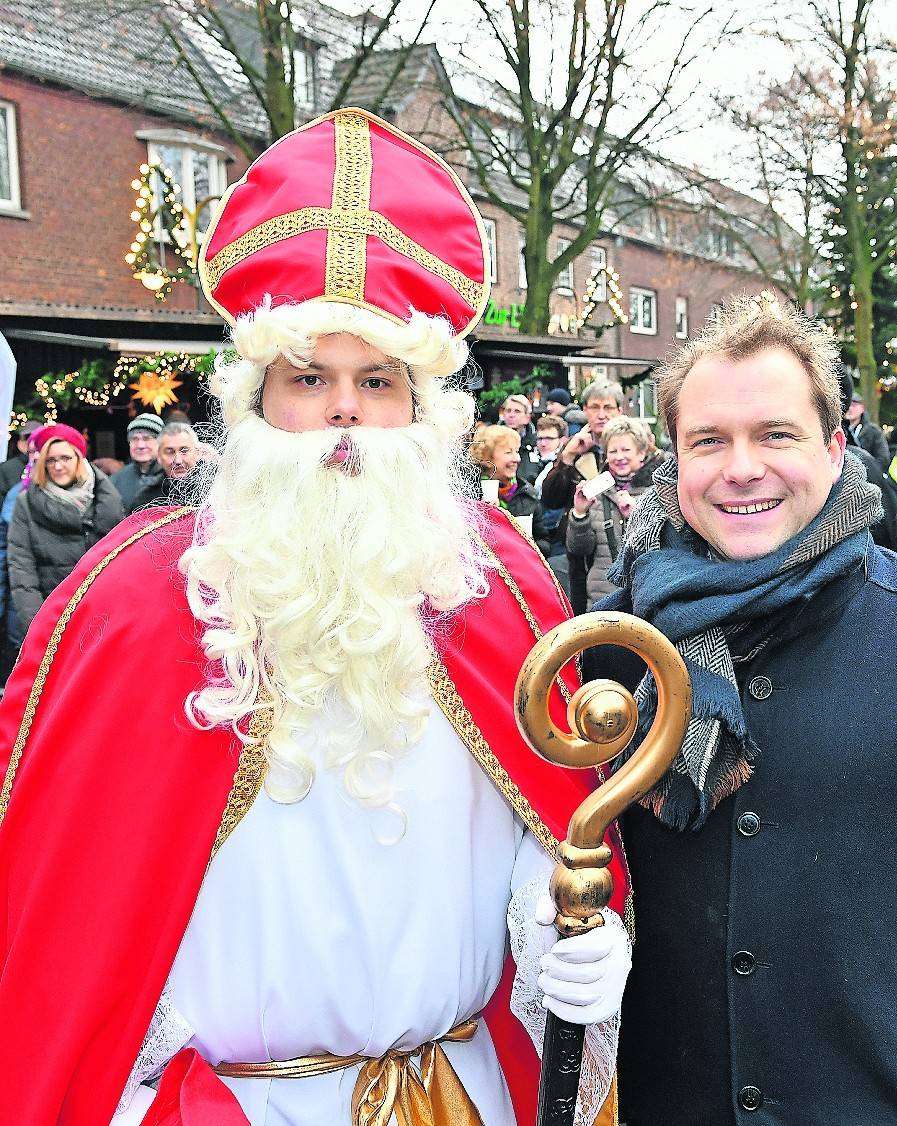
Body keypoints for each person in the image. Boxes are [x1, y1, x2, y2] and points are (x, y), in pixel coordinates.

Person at [0, 108, 630, 1126]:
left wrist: (568, 939)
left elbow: (545, 826)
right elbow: (72, 906)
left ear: (419, 409)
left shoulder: (494, 584)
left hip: (458, 1098)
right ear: (258, 403)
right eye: (310, 379)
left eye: (376, 380)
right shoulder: (138, 602)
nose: (345, 412)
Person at [593, 292, 897, 1126]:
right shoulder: (606, 654)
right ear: (673, 464)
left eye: (775, 434)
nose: (740, 468)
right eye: (708, 441)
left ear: (834, 449)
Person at [6, 422, 124, 637]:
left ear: (79, 457)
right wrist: (38, 629)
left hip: (106, 616)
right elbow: (22, 570)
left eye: (65, 458)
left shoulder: (107, 496)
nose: (58, 466)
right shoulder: (27, 503)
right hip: (55, 619)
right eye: (50, 460)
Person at [541, 382, 625, 612]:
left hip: (617, 545)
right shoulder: (576, 448)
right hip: (578, 547)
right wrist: (567, 456)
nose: (601, 415)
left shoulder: (628, 449)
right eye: (594, 407)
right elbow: (551, 498)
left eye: (608, 408)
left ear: (619, 410)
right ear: (585, 410)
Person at [566, 417, 655, 602]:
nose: (619, 457)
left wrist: (636, 515)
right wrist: (579, 514)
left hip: (645, 595)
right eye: (613, 451)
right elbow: (579, 549)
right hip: (602, 598)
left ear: (641, 453)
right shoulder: (595, 492)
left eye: (626, 450)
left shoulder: (657, 491)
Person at [470, 423, 550, 555]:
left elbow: (544, 540)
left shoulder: (527, 493)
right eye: (508, 452)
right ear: (487, 458)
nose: (517, 459)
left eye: (517, 451)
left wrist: (530, 546)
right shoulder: (470, 493)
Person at [130, 422, 202, 510]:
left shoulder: (214, 490)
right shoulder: (146, 500)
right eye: (170, 452)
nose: (178, 460)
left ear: (197, 453)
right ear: (159, 457)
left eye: (184, 451)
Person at [112, 413, 165, 511]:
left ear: (161, 443)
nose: (140, 445)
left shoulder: (170, 476)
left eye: (147, 438)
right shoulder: (117, 479)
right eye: (135, 439)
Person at [533, 415, 568, 557]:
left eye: (549, 439)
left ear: (562, 440)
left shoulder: (564, 467)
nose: (543, 443)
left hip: (555, 534)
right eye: (540, 438)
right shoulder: (531, 461)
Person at [499, 393, 541, 483]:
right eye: (508, 410)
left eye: (517, 411)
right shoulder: (493, 441)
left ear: (527, 417)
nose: (511, 415)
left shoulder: (537, 442)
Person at [0, 419, 42, 508]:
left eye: (38, 437)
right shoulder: (6, 468)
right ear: (20, 444)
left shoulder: (51, 466)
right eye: (28, 438)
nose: (32, 441)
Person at [844, 387, 890, 467]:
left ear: (862, 408)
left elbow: (883, 459)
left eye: (854, 405)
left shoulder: (874, 431)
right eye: (848, 405)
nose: (850, 409)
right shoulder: (840, 430)